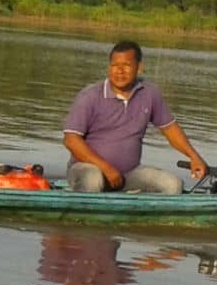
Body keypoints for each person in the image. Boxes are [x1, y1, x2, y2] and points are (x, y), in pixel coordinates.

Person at [62, 40, 208, 193]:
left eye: (126, 66)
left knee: (173, 185)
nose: (119, 71)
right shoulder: (90, 96)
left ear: (139, 68)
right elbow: (71, 140)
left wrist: (194, 156)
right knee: (93, 179)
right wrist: (106, 168)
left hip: (129, 174)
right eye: (114, 66)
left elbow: (170, 128)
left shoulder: (150, 93)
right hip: (86, 169)